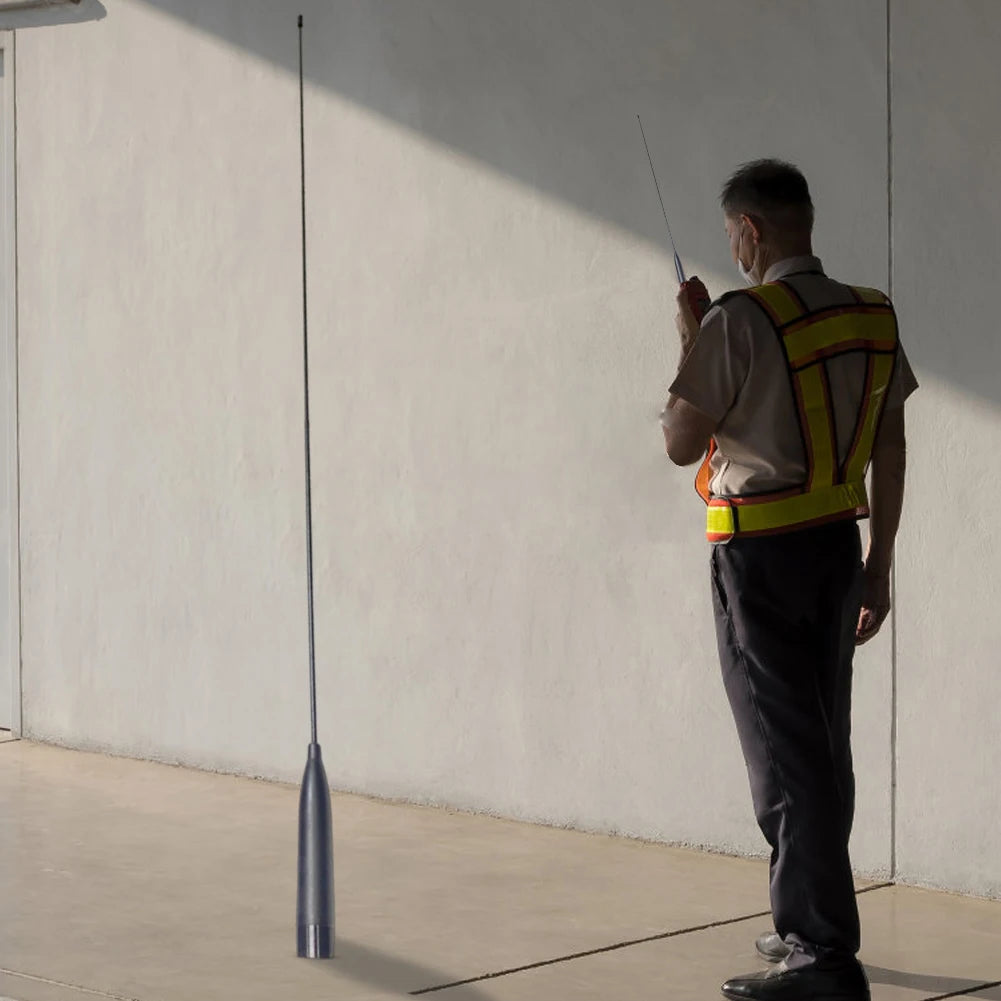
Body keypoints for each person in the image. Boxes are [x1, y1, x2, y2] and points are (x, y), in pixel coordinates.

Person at [659, 159, 917, 1001]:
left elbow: (679, 441)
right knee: (822, 743)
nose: (732, 248)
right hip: (836, 551)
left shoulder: (736, 320)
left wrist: (691, 338)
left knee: (781, 752)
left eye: (731, 234)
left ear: (750, 230)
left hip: (760, 559)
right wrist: (878, 564)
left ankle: (819, 950)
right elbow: (889, 448)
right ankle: (806, 912)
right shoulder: (869, 314)